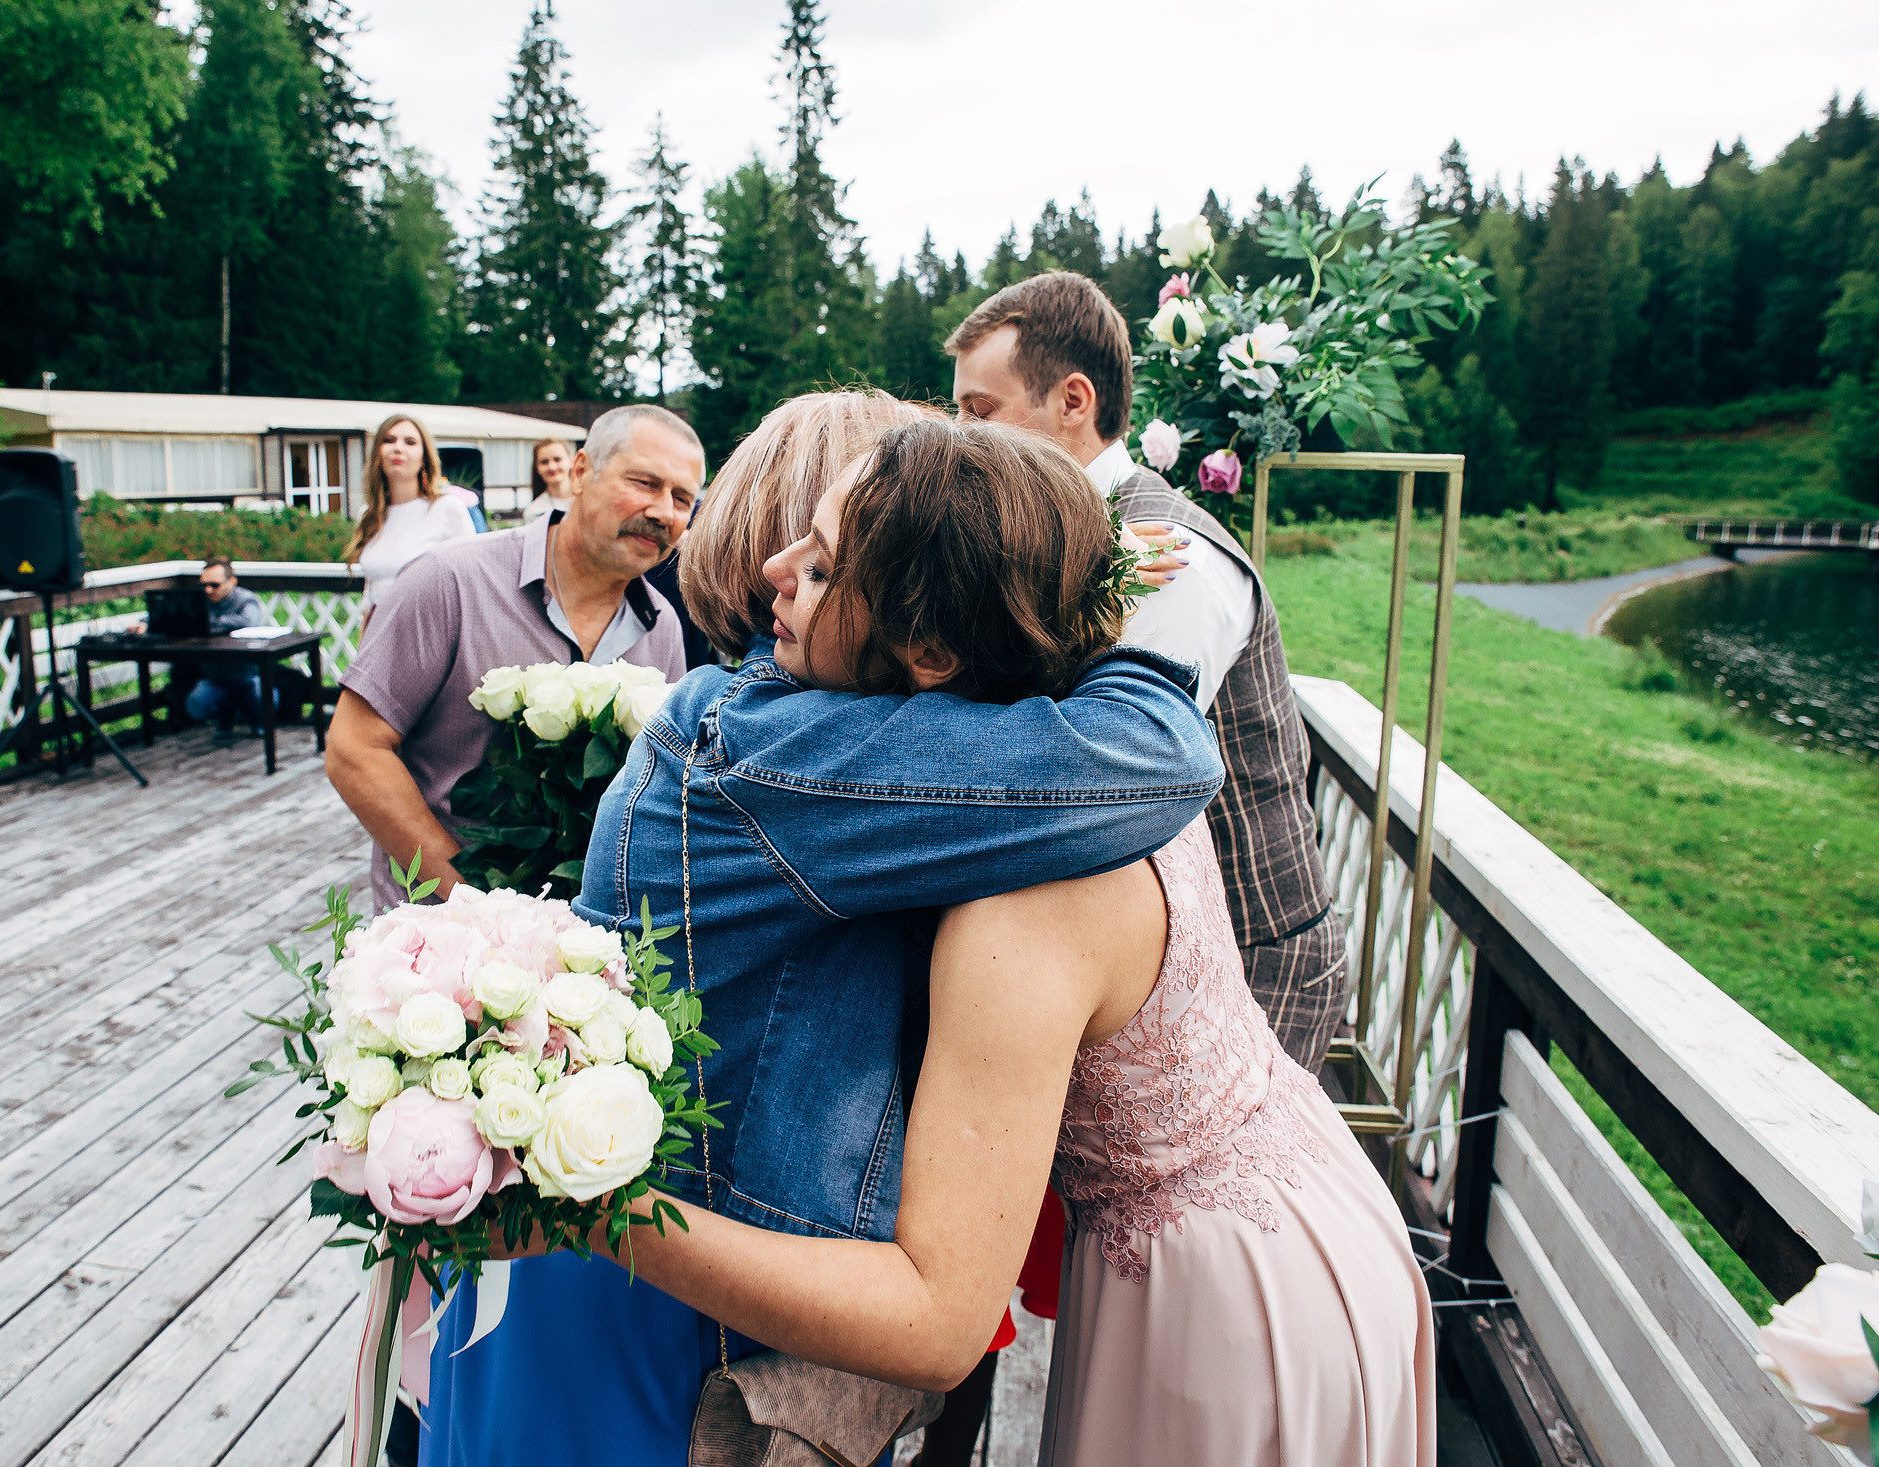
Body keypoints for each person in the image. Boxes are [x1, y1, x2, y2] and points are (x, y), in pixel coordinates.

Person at [544, 417, 1435, 1466]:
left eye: (823, 563)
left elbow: (934, 1318)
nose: (772, 571)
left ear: (932, 651)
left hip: (1224, 1295)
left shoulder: (1022, 867)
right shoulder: (1061, 768)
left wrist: (578, 1205)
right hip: (1313, 1200)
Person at [417, 394, 1220, 1467]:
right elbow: (1158, 752)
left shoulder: (803, 736)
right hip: (680, 1295)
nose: (774, 572)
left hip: (643, 1258)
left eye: (833, 558)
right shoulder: (771, 750)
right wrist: (1095, 614)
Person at [948, 271, 1348, 1074]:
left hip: (1250, 963)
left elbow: (1116, 773)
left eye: (979, 411)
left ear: (1073, 400)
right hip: (1143, 967)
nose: (960, 435)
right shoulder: (1055, 537)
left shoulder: (1171, 555)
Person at [327, 404, 701, 913]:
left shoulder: (663, 630)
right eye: (644, 483)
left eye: (682, 498)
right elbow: (354, 749)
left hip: (583, 952)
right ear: (580, 472)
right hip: (434, 940)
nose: (663, 511)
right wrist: (478, 906)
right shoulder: (450, 582)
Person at [348, 415, 476, 628]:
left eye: (410, 442)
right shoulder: (369, 515)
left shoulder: (447, 508)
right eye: (388, 440)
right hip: (379, 632)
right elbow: (371, 593)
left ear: (424, 456)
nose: (398, 448)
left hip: (430, 632)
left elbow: (471, 582)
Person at [184, 556, 273, 738]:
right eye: (204, 585)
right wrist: (144, 623)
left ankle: (256, 719)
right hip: (215, 676)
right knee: (195, 705)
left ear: (232, 582)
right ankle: (226, 714)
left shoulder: (246, 599)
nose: (208, 590)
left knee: (263, 698)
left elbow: (249, 621)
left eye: (214, 585)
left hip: (246, 674)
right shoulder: (199, 599)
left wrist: (211, 623)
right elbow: (171, 615)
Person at [520, 436, 574, 522]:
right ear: (537, 467)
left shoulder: (589, 499)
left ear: (571, 461)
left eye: (557, 459)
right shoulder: (534, 512)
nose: (551, 467)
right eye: (544, 462)